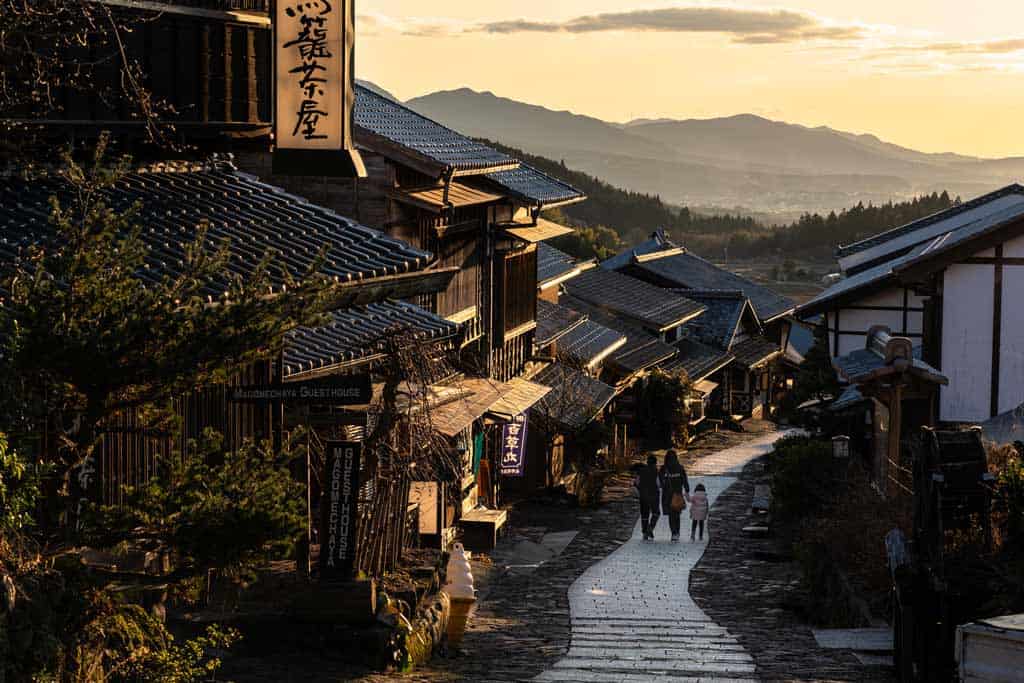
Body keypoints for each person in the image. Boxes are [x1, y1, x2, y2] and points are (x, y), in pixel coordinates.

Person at [659, 450, 690, 542]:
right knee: (676, 514)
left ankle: (674, 532)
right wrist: (687, 490)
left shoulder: (663, 468)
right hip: (678, 494)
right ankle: (677, 532)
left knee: (671, 515)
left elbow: (660, 482)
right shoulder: (680, 468)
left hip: (667, 495)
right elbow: (684, 480)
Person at [634, 454, 661, 541]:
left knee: (645, 515)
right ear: (655, 463)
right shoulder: (656, 471)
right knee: (656, 513)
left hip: (643, 496)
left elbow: (636, 483)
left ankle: (645, 532)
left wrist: (640, 490)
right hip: (654, 496)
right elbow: (658, 484)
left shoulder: (640, 471)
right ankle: (650, 528)